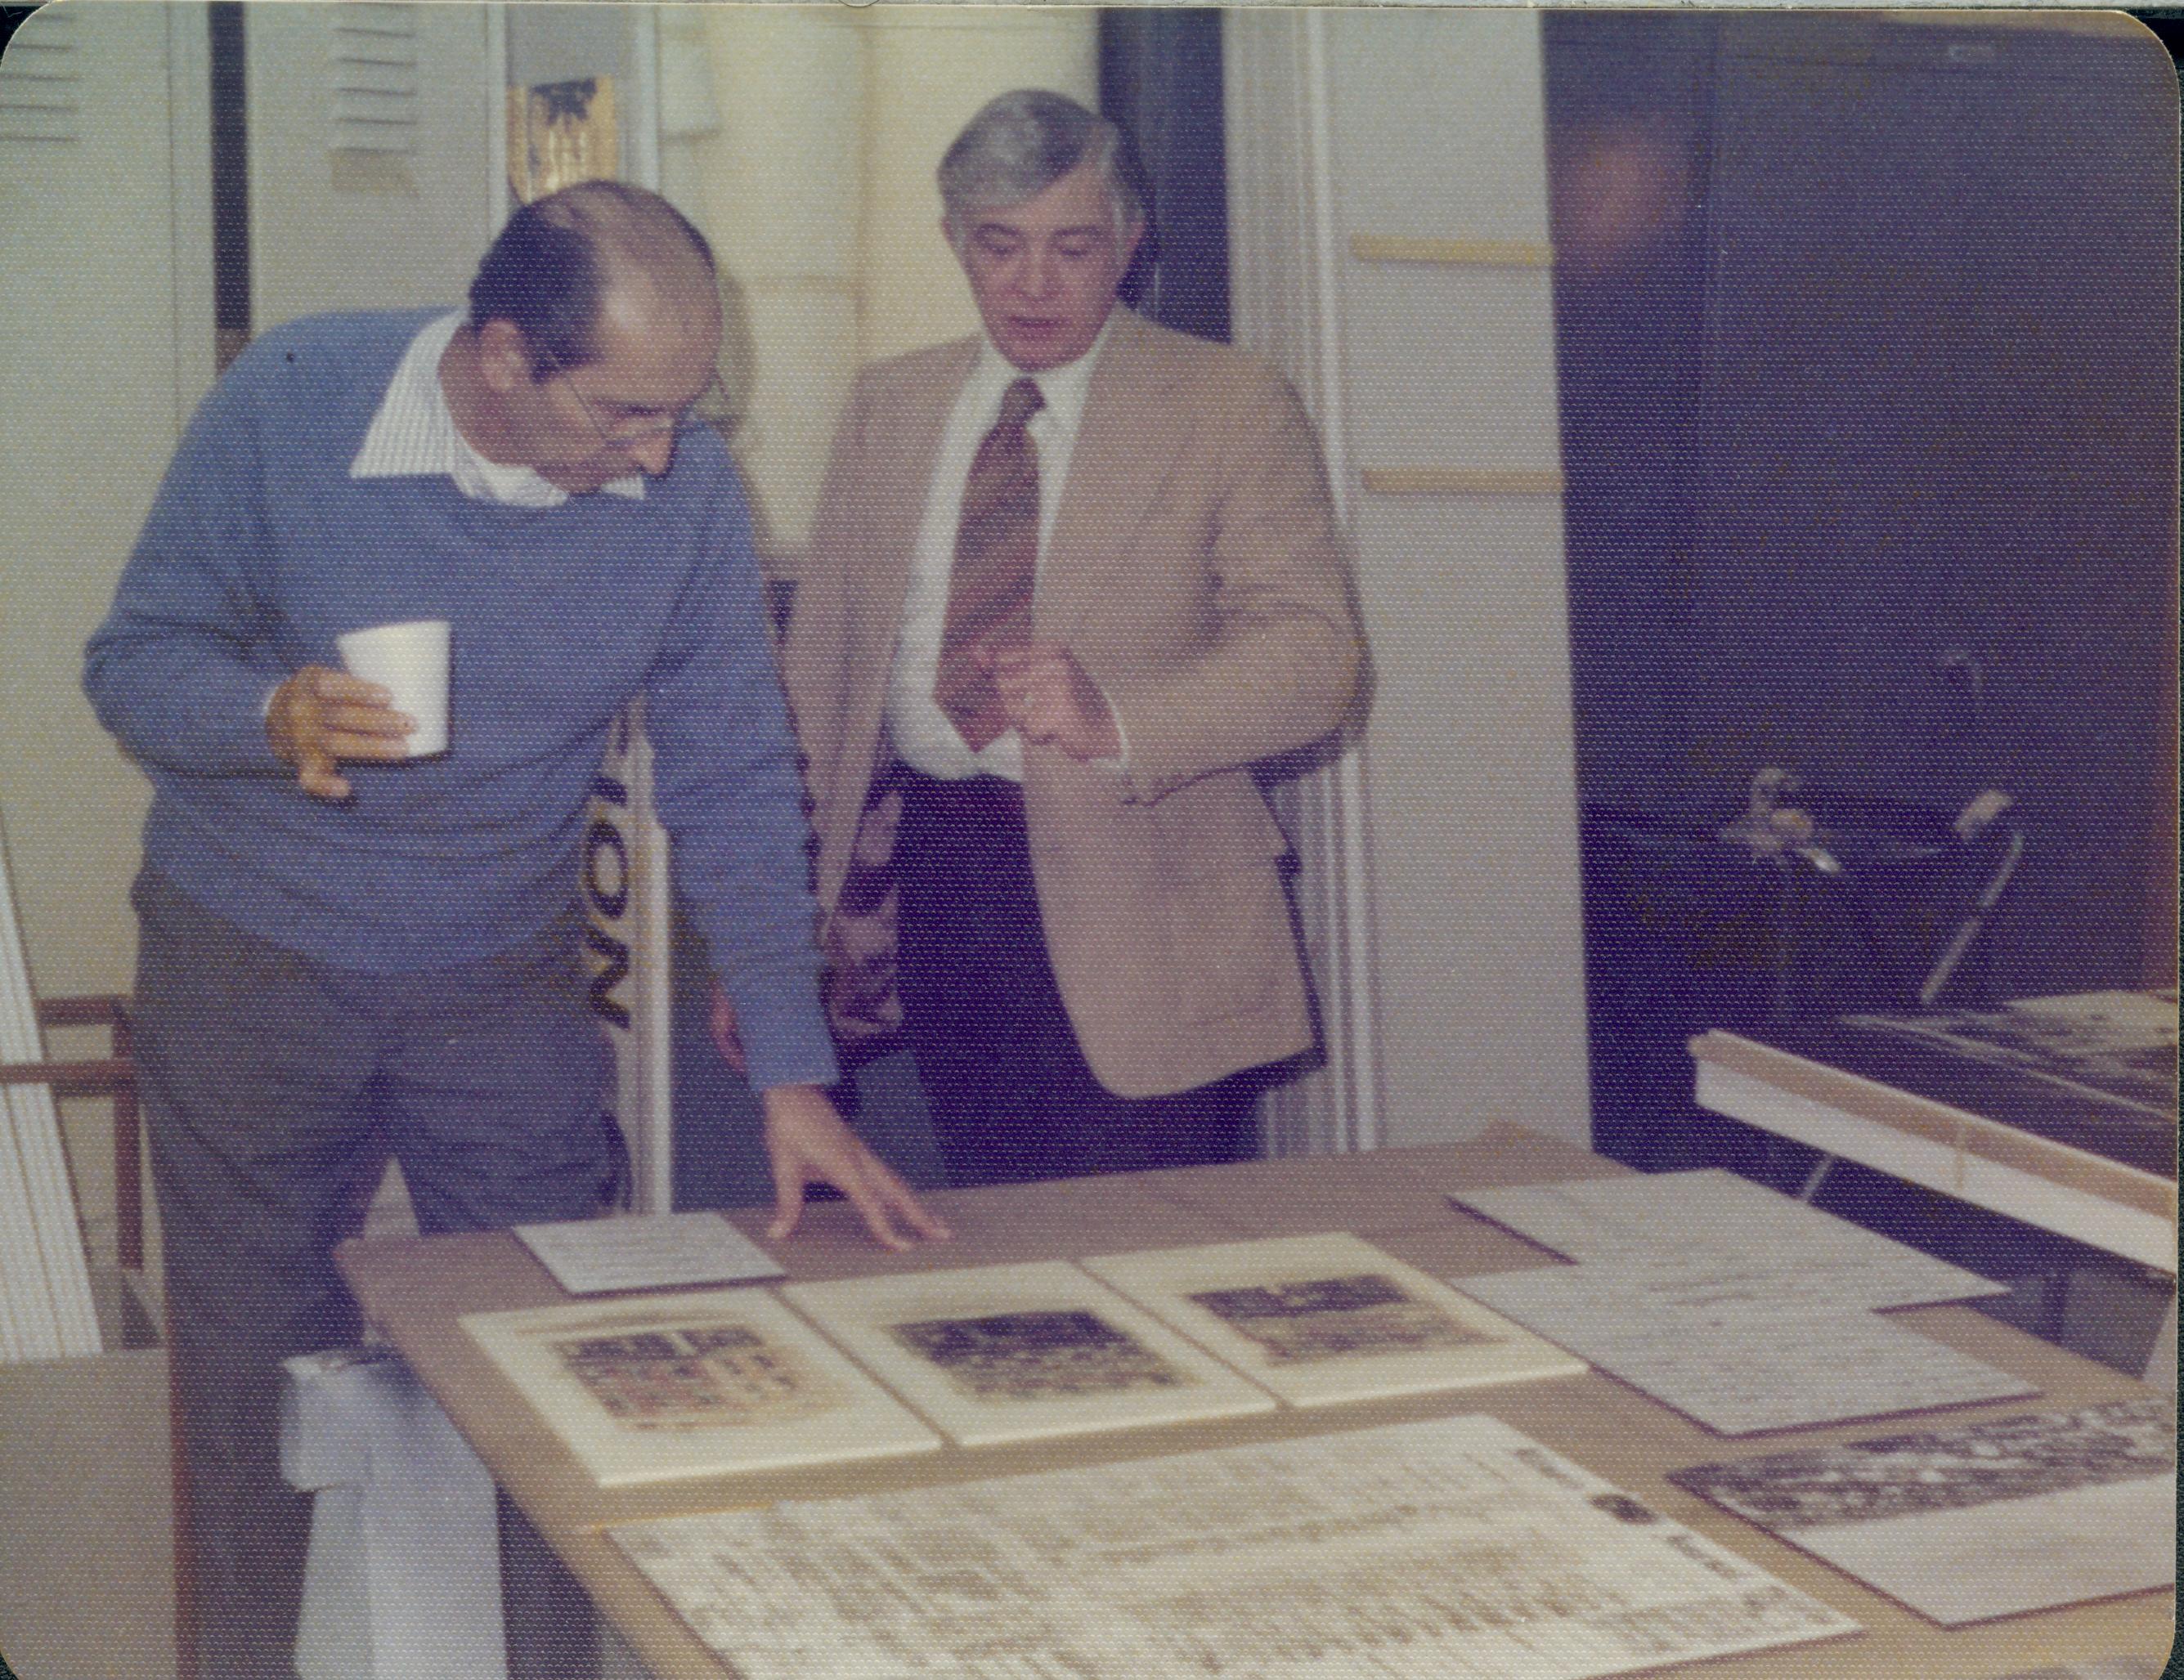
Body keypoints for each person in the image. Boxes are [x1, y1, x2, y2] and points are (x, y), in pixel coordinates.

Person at [83, 180, 944, 1680]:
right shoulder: (293, 400)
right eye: (625, 414)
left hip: (503, 972)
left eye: (692, 408)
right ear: (500, 358)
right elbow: (135, 658)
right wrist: (264, 711)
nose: (666, 453)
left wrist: (792, 1073)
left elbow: (734, 762)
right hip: (250, 956)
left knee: (550, 1345)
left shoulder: (680, 494)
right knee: (250, 1374)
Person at [770, 91, 1366, 1188]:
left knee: (1146, 1266)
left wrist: (1120, 719)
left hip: (1152, 905)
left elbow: (1316, 656)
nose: (1034, 285)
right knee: (994, 1242)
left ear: (1130, 244)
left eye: (1073, 247)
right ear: (952, 241)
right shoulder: (887, 406)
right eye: (999, 247)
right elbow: (816, 688)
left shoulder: (1229, 401)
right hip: (941, 881)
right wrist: (771, 948)